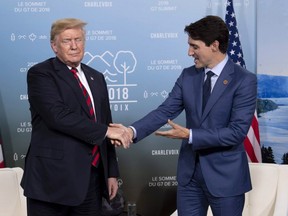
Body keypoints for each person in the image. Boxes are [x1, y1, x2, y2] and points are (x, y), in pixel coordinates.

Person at [111, 15, 257, 216]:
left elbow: (236, 132)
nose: (189, 52)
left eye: (194, 46)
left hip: (225, 179)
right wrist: (131, 131)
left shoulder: (244, 80)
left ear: (214, 45)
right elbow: (165, 110)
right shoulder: (188, 76)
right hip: (190, 178)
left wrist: (190, 135)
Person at [21, 18, 131, 216]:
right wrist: (106, 130)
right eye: (67, 41)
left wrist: (111, 172)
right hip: (51, 182)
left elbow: (106, 123)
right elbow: (58, 116)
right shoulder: (40, 74)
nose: (74, 46)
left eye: (78, 40)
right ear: (54, 46)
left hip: (91, 180)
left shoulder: (96, 77)